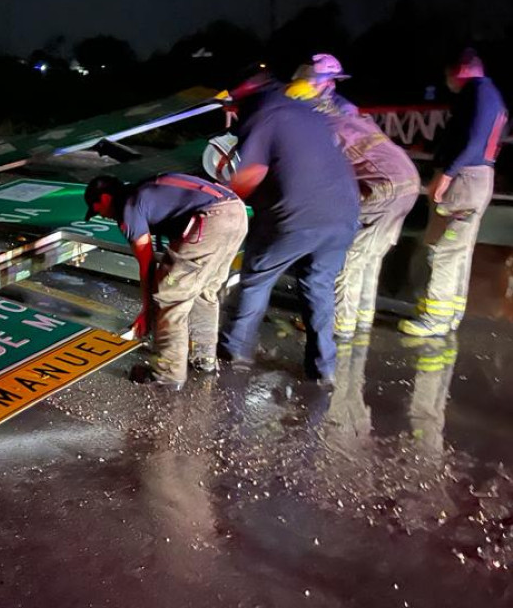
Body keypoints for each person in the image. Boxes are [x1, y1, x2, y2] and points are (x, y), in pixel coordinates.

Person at [217, 70, 360, 384]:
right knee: (318, 287)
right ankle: (323, 369)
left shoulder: (265, 115)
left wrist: (219, 195)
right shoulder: (311, 114)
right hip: (344, 216)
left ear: (247, 100)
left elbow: (249, 175)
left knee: (257, 278)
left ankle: (233, 351)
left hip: (297, 216)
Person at [287, 54, 421, 339]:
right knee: (370, 255)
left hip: (384, 186)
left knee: (348, 253)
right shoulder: (346, 112)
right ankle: (359, 318)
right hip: (406, 180)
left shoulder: (324, 122)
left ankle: (338, 323)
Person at [84, 174, 247, 388]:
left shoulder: (128, 207)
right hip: (236, 212)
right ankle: (204, 359)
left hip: (211, 220)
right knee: (203, 291)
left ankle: (167, 375)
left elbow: (147, 263)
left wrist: (147, 310)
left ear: (104, 199)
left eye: (97, 210)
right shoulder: (146, 188)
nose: (102, 216)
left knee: (170, 295)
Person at [400, 49, 508, 336]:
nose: (448, 83)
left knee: (445, 250)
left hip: (465, 180)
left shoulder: (477, 94)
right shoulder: (492, 96)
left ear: (460, 70)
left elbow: (471, 141)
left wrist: (446, 175)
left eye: (449, 76)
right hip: (478, 179)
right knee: (458, 250)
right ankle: (448, 315)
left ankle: (434, 318)